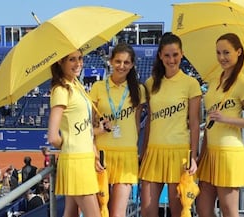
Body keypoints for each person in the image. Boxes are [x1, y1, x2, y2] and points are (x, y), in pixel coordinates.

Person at [196, 33, 244, 217]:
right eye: (218, 52)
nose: (221, 57)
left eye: (226, 52)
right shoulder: (216, 79)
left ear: (239, 52)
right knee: (202, 207)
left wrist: (226, 119)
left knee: (228, 208)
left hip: (228, 153)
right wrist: (202, 154)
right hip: (210, 151)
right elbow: (210, 121)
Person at [139, 32, 201, 217]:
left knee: (179, 212)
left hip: (179, 153)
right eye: (167, 55)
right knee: (147, 211)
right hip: (153, 152)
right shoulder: (150, 83)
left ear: (182, 54)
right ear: (160, 55)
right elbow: (149, 120)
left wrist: (193, 156)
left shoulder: (191, 84)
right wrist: (143, 151)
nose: (171, 59)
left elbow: (195, 123)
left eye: (175, 54)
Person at [89, 43, 146, 216]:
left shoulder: (139, 89)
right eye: (118, 61)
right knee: (101, 211)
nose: (122, 66)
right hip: (102, 156)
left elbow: (137, 124)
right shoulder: (98, 87)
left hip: (126, 155)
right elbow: (90, 125)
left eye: (126, 62)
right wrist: (94, 151)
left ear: (132, 64)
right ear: (111, 62)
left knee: (118, 214)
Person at [47, 49, 101, 217]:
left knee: (70, 213)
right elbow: (53, 136)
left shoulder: (76, 85)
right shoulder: (61, 90)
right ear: (60, 62)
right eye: (72, 59)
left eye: (80, 58)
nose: (78, 63)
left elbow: (85, 130)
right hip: (75, 161)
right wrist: (69, 144)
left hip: (83, 159)